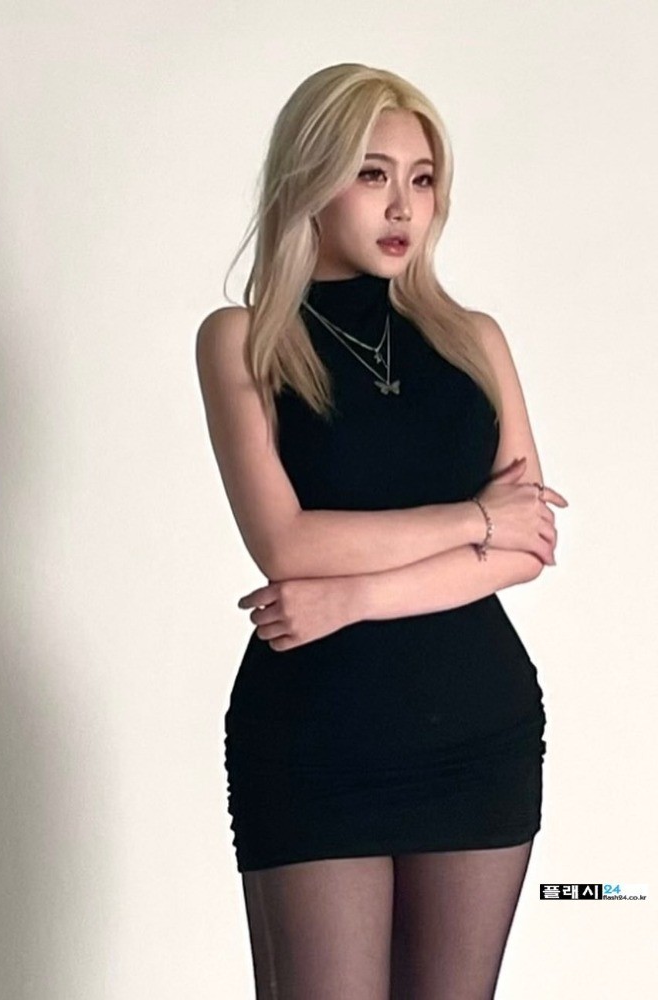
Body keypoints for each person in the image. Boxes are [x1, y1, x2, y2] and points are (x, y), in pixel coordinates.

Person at [195, 62, 568, 999]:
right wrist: (475, 519)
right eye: (372, 174)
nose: (404, 205)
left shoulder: (475, 340)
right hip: (315, 736)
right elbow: (287, 545)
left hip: (477, 727)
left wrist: (353, 596)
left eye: (423, 178)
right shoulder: (245, 339)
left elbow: (526, 548)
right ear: (310, 180)